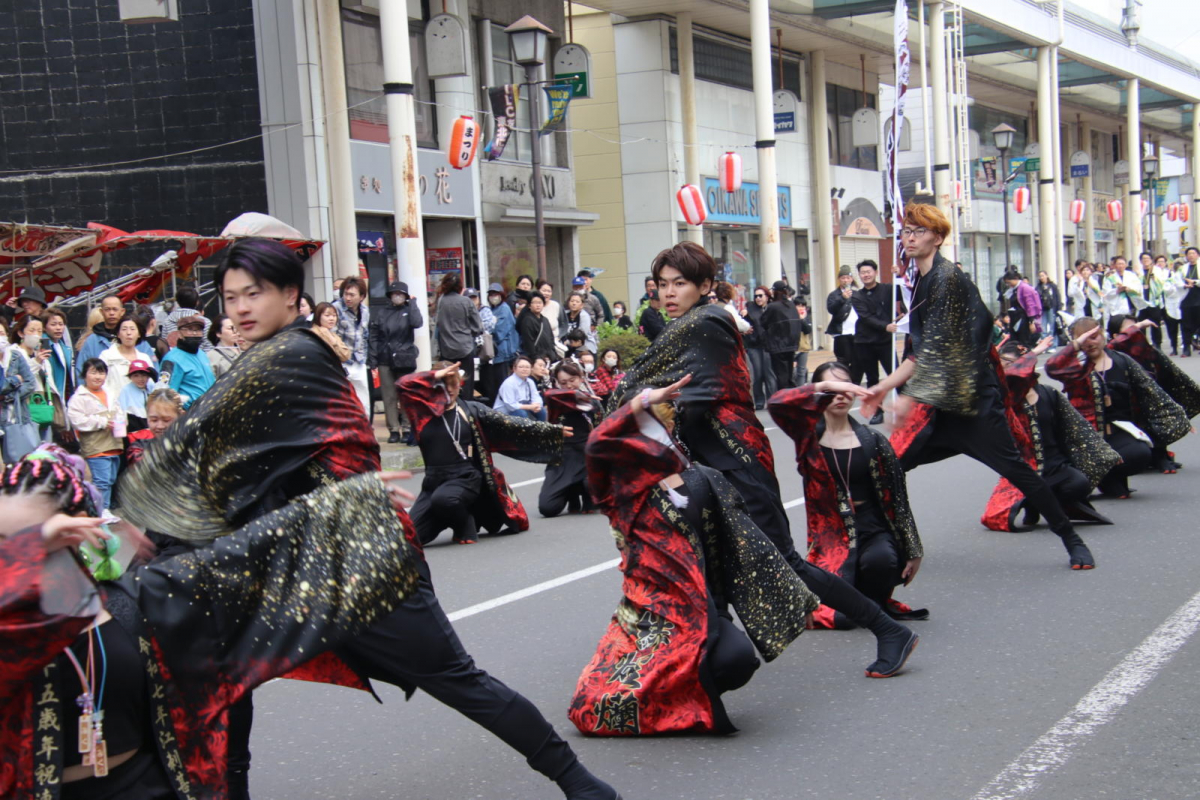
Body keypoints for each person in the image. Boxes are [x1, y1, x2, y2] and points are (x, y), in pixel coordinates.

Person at [118, 238, 620, 800]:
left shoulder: (287, 355)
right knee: (231, 668)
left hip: (363, 561)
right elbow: (225, 458)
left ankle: (579, 782)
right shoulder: (282, 352)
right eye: (230, 297)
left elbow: (193, 437)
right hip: (298, 553)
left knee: (455, 678)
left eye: (253, 294)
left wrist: (130, 523)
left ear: (291, 295)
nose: (238, 309)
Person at [0, 445, 424, 799]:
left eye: (33, 536)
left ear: (78, 530)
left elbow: (238, 553)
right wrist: (30, 547)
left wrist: (331, 506)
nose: (16, 552)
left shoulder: (132, 599)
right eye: (7, 541)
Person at [610, 242, 918, 671]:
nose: (668, 293)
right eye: (662, 284)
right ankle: (704, 663)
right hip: (712, 465)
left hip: (738, 463)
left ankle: (889, 630)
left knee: (785, 562)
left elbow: (629, 384)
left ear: (704, 286)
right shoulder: (699, 323)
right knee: (707, 560)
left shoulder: (702, 322)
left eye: (679, 283)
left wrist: (635, 401)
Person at [570, 383, 821, 737]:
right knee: (609, 702)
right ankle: (666, 697)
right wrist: (642, 401)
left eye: (664, 415)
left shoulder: (700, 476)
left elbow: (747, 545)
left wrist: (795, 597)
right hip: (652, 609)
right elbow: (597, 446)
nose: (662, 421)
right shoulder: (619, 490)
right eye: (644, 420)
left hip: (705, 606)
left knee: (737, 660)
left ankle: (686, 696)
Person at [861, 202, 1096, 570]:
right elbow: (919, 350)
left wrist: (899, 393)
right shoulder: (923, 280)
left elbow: (934, 352)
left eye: (919, 231)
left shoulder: (947, 279)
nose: (909, 237)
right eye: (906, 231)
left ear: (937, 238)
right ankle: (880, 547)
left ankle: (1071, 538)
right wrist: (882, 389)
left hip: (973, 405)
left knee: (1019, 472)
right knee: (888, 467)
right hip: (940, 407)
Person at [769, 362, 926, 625]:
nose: (840, 396)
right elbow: (776, 403)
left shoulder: (873, 441)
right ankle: (855, 600)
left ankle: (869, 600)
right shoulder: (806, 436)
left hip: (872, 525)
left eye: (846, 387)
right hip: (829, 535)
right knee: (838, 617)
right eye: (833, 389)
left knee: (882, 562)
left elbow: (898, 497)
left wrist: (913, 549)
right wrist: (824, 386)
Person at [400, 361, 575, 544]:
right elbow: (404, 385)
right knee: (409, 539)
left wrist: (550, 430)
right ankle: (448, 517)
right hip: (434, 482)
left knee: (444, 499)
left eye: (453, 384)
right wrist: (433, 376)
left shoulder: (471, 410)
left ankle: (464, 525)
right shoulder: (421, 413)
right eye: (442, 385)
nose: (449, 390)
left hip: (465, 478)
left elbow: (512, 424)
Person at [982, 339, 1120, 532]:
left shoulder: (1048, 393)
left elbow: (1077, 426)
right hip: (1023, 470)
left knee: (1079, 483)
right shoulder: (1004, 398)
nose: (1007, 367)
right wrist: (1034, 352)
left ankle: (1041, 504)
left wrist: (1107, 453)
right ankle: (1035, 502)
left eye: (1011, 363)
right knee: (997, 516)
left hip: (1055, 465)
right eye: (1004, 362)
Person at [1046, 317, 1189, 498]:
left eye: (1094, 337)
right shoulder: (1075, 367)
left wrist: (1177, 415)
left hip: (1119, 432)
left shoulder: (1121, 360)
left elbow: (1151, 390)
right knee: (1077, 487)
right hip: (1085, 439)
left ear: (1103, 336)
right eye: (1083, 339)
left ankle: (1109, 477)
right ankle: (1099, 478)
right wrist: (1075, 345)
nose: (1090, 343)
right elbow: (1052, 367)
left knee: (1141, 454)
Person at [1105, 314, 1200, 471]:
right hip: (1125, 401)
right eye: (1131, 329)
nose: (1136, 332)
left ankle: (1161, 455)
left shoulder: (1145, 349)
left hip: (1149, 393)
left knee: (1160, 415)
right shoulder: (1112, 351)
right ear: (1116, 335)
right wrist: (1139, 326)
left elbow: (1168, 371)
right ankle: (1152, 456)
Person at [538, 360, 598, 517]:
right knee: (547, 508)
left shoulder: (591, 401)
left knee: (590, 483)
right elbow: (549, 394)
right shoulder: (554, 399)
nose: (569, 385)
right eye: (563, 382)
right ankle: (570, 492)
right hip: (562, 456)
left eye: (573, 380)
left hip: (586, 454)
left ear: (581, 377)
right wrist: (573, 396)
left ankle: (587, 494)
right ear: (557, 382)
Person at [368, 281, 425, 444]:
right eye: (395, 293)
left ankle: (407, 428)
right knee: (389, 396)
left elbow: (417, 323)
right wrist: (373, 356)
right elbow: (374, 335)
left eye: (401, 294)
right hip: (385, 358)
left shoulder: (409, 310)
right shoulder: (382, 312)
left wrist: (413, 303)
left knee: (406, 394)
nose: (397, 296)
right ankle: (393, 429)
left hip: (405, 358)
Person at [67, 358, 126, 510]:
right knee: (101, 482)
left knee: (111, 479)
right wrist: (101, 422)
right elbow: (76, 420)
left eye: (101, 373)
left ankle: (102, 509)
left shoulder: (110, 393)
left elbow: (120, 411)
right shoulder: (79, 397)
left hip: (114, 443)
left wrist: (121, 421)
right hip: (96, 446)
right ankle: (101, 511)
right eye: (93, 372)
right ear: (84, 375)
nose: (98, 377)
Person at [851, 259, 898, 418]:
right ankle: (877, 411)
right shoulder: (857, 296)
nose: (865, 275)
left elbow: (907, 293)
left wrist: (899, 275)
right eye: (862, 273)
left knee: (897, 375)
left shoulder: (887, 289)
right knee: (872, 379)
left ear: (875, 272)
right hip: (865, 342)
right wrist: (885, 326)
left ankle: (906, 409)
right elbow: (865, 317)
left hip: (886, 341)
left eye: (868, 272)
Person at [77, 295, 155, 378]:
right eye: (107, 309)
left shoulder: (138, 341)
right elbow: (81, 371)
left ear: (122, 311)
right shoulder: (92, 341)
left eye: (115, 309)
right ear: (101, 311)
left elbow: (153, 371)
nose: (111, 313)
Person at [434, 272, 482, 400]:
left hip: (446, 350)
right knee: (466, 384)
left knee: (448, 383)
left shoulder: (441, 301)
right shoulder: (466, 301)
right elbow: (478, 327)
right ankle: (466, 413)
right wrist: (468, 332)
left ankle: (451, 408)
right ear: (460, 286)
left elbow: (438, 323)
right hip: (465, 348)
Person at [0, 320, 39, 463]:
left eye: (2, 333)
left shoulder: (16, 356)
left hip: (16, 415)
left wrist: (9, 396)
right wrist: (14, 381)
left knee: (18, 461)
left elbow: (30, 383)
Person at [332, 276, 371, 417]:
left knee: (363, 400)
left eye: (352, 295)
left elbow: (365, 335)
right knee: (342, 400)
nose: (348, 298)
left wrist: (365, 357)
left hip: (359, 360)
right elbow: (331, 336)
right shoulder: (335, 309)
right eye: (345, 294)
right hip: (341, 361)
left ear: (361, 297)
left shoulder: (365, 311)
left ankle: (365, 429)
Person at [158, 314, 216, 409]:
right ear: (179, 333)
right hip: (189, 412)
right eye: (190, 329)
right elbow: (166, 393)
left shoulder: (202, 354)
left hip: (209, 410)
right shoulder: (172, 359)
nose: (194, 333)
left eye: (198, 330)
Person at [11, 314, 51, 442]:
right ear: (21, 333)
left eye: (39, 331)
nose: (36, 335)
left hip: (41, 402)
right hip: (24, 404)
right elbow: (18, 378)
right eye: (31, 330)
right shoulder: (13, 353)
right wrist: (36, 362)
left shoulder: (39, 354)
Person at [759, 280, 803, 390]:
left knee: (781, 375)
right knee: (789, 374)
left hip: (778, 344)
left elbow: (763, 322)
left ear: (775, 291)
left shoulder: (773, 306)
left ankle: (784, 399)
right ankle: (791, 397)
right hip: (791, 344)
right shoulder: (791, 305)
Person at [478, 283, 519, 402]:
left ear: (501, 295)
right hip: (493, 354)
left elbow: (498, 331)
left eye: (495, 294)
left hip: (502, 353)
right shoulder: (491, 309)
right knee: (492, 386)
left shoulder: (504, 309)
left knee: (500, 385)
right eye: (490, 294)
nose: (493, 296)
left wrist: (489, 328)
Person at [41, 306, 75, 445]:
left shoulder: (65, 348)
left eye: (61, 324)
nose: (58, 328)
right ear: (44, 327)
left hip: (64, 401)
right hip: (48, 401)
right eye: (53, 324)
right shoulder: (42, 346)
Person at [125, 386, 183, 464]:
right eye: (154, 420)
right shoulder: (138, 447)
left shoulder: (192, 446)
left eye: (166, 420)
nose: (160, 426)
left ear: (181, 417)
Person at [99, 316, 148, 399]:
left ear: (139, 334)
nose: (128, 333)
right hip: (114, 406)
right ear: (118, 334)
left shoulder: (144, 358)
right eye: (124, 329)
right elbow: (102, 383)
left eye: (132, 329)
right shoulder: (107, 356)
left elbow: (150, 385)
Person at [743, 285, 775, 409]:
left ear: (767, 296)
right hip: (754, 345)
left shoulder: (771, 308)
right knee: (757, 373)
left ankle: (772, 400)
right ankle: (759, 401)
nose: (758, 298)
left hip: (769, 345)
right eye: (756, 296)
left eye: (760, 296)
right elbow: (745, 325)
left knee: (769, 373)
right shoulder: (750, 308)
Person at [161, 284, 213, 350]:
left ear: (178, 302)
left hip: (174, 359)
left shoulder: (167, 321)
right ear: (197, 302)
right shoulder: (206, 322)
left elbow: (165, 345)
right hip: (198, 359)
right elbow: (209, 347)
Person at [495, 356, 547, 420]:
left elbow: (536, 397)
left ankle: (540, 429)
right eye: (521, 367)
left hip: (523, 408)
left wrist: (537, 405)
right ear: (514, 369)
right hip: (505, 413)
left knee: (542, 411)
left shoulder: (530, 382)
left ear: (531, 369)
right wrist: (530, 407)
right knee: (521, 413)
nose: (524, 369)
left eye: (527, 367)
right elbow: (511, 406)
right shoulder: (509, 383)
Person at [826, 266, 857, 368]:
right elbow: (831, 309)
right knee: (844, 359)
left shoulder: (857, 293)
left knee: (858, 359)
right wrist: (842, 298)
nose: (845, 280)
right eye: (843, 278)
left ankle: (854, 381)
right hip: (841, 332)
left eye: (848, 278)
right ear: (839, 279)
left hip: (856, 332)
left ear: (851, 279)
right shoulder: (834, 295)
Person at [117, 359, 158, 435]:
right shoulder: (126, 390)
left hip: (151, 427)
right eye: (136, 376)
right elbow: (121, 412)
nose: (140, 379)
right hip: (134, 429)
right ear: (130, 377)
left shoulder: (151, 387)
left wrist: (157, 381)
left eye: (144, 375)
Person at [1003, 271, 1042, 347]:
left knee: (1024, 340)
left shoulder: (1024, 288)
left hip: (1023, 317)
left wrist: (1031, 322)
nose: (1009, 285)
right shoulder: (1014, 289)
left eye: (1009, 282)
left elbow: (1030, 305)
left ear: (1015, 279)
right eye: (1007, 283)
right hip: (1015, 317)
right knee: (1015, 340)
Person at [517, 292, 556, 362]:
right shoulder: (527, 320)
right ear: (529, 305)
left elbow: (551, 338)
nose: (538, 305)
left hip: (548, 357)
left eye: (540, 302)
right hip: (535, 358)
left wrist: (551, 354)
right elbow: (528, 342)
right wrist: (536, 357)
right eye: (534, 302)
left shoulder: (545, 320)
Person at [1102, 255, 1142, 321]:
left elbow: (1138, 288)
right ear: (1114, 265)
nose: (1120, 266)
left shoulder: (1132, 276)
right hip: (1117, 306)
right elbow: (1106, 293)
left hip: (1131, 303)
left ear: (1126, 265)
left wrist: (1128, 288)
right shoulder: (1110, 278)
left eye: (1122, 264)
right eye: (1118, 264)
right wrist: (1117, 290)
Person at [1163, 259, 1187, 356]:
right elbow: (1167, 291)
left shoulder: (1186, 279)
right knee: (1172, 329)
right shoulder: (1170, 280)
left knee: (1185, 328)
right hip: (1171, 306)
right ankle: (1174, 347)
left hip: (1183, 305)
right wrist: (1175, 287)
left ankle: (1186, 346)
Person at [208, 313, 244, 379]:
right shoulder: (212, 356)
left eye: (236, 328)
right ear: (218, 333)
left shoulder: (244, 349)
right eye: (230, 328)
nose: (235, 332)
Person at [1181, 246, 1200, 356]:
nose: (1191, 255)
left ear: (1197, 255)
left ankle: (1196, 339)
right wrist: (1184, 284)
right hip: (1186, 300)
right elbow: (1175, 282)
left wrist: (1194, 282)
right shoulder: (1183, 268)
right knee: (1186, 325)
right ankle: (1186, 348)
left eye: (1193, 253)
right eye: (1189, 254)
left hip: (1199, 298)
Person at [1036, 270, 1061, 343]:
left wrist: (1059, 307)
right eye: (1040, 276)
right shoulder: (1038, 287)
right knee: (1042, 327)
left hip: (1051, 307)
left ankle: (1052, 344)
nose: (1041, 277)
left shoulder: (1052, 286)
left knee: (1052, 327)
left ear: (1046, 276)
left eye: (1043, 275)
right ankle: (1044, 344)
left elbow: (1057, 297)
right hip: (1042, 309)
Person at [793, 298, 813, 386]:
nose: (801, 308)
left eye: (803, 306)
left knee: (801, 371)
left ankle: (800, 392)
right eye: (798, 306)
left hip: (803, 347)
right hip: (792, 347)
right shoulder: (791, 316)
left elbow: (808, 330)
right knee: (793, 372)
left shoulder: (806, 317)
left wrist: (802, 319)